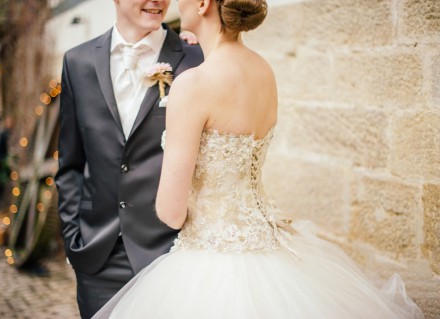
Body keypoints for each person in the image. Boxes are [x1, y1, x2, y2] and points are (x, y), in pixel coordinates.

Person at [92, 0, 425, 317]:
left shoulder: (193, 84)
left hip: (211, 263)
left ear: (204, 3)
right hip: (272, 249)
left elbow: (171, 212)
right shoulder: (263, 70)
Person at [55, 0, 203, 316]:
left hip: (172, 254)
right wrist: (73, 239)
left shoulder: (195, 58)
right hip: (98, 256)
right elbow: (69, 164)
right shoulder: (77, 62)